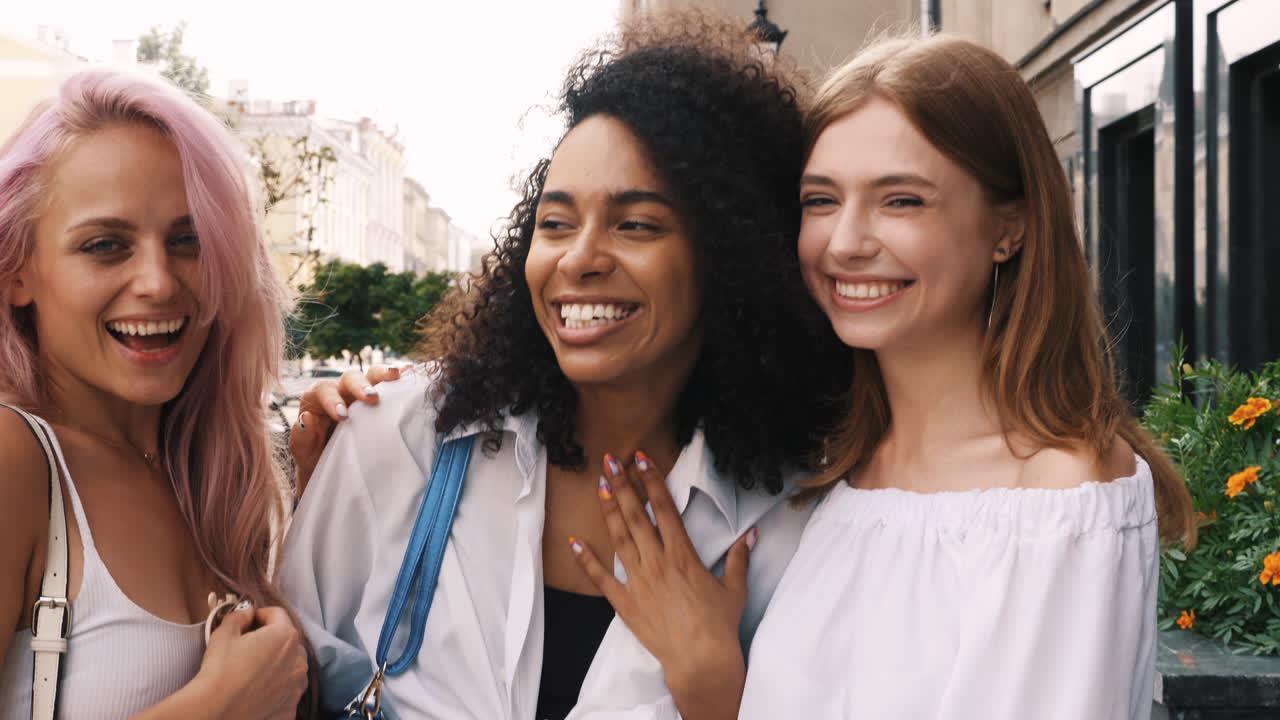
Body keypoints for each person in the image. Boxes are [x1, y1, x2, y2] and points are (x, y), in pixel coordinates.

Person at [567, 32, 1195, 720]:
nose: (845, 243)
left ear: (1008, 227)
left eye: (901, 201)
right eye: (821, 201)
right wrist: (706, 669)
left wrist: (713, 687)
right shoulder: (827, 478)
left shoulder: (1059, 493)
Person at [279, 11, 849, 720]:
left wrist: (718, 692)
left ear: (731, 257)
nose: (578, 259)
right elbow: (285, 679)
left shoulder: (797, 515)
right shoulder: (399, 437)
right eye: (555, 223)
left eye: (636, 224)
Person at [0, 68, 312, 719]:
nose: (159, 281)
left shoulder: (215, 475)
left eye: (188, 240)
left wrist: (333, 475)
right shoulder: (14, 459)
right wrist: (220, 706)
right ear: (17, 271)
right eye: (105, 245)